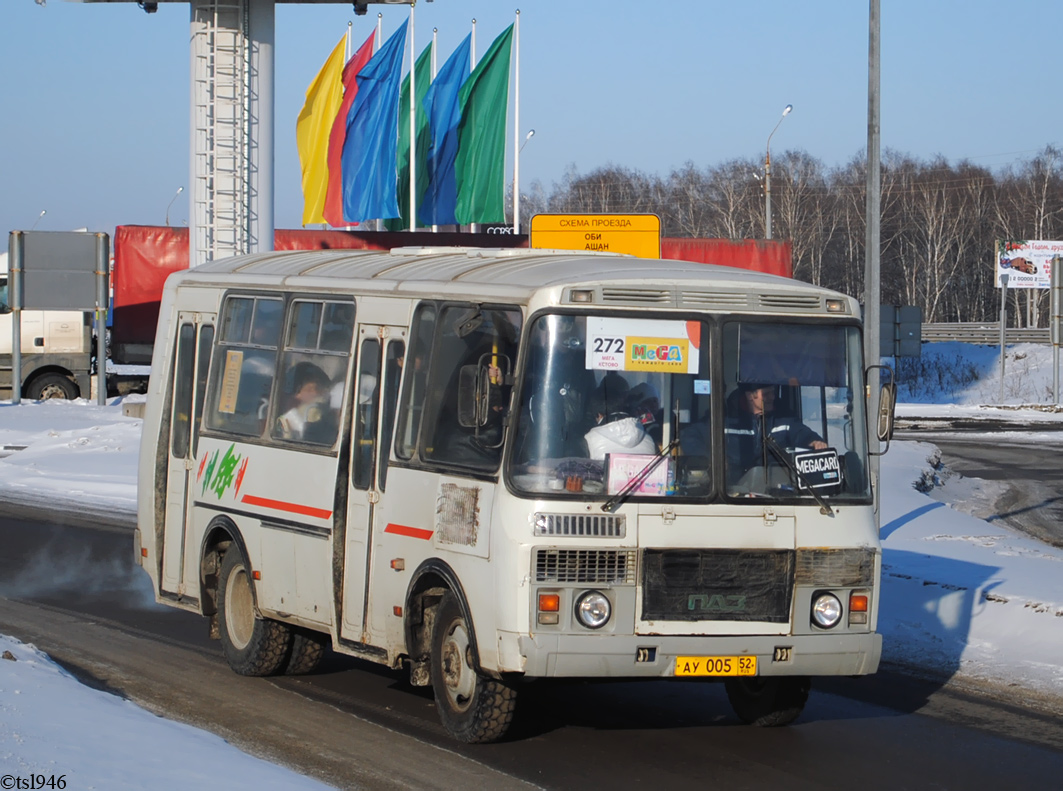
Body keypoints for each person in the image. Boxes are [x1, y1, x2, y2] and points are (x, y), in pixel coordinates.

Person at [725, 382, 826, 482]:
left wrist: (814, 441)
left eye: (773, 392)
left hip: (776, 488)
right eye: (766, 394)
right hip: (733, 491)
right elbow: (710, 452)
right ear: (750, 396)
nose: (772, 397)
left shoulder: (783, 417)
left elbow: (801, 432)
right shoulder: (724, 419)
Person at [276, 362, 334, 442]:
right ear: (296, 394)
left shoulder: (328, 421)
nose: (316, 393)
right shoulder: (282, 424)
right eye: (310, 389)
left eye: (319, 389)